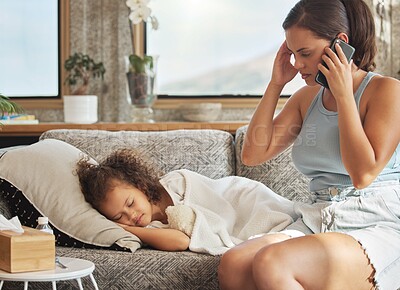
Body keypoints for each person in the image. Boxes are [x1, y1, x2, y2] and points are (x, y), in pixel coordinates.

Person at [217, 0, 400, 289]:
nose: (298, 64)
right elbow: (253, 154)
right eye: (292, 54)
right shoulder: (306, 97)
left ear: (340, 45)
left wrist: (343, 96)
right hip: (320, 216)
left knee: (271, 262)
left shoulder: (386, 91)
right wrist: (276, 83)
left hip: (375, 220)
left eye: (305, 53)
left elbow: (363, 174)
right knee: (235, 263)